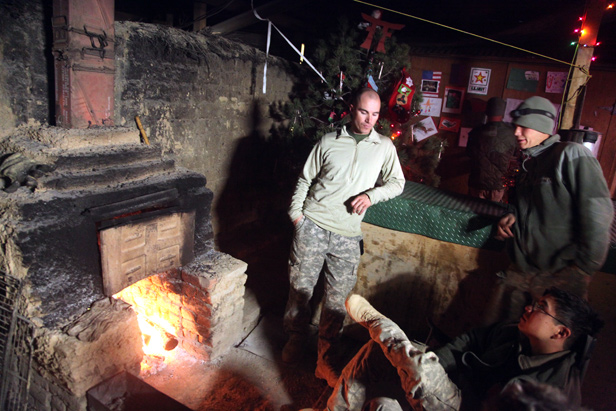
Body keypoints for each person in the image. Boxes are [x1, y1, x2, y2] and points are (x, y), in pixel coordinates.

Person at [282, 88, 405, 386]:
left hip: (348, 235)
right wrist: (296, 215)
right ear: (352, 109)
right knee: (300, 289)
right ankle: (296, 338)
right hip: (313, 225)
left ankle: (325, 359)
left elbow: (397, 182)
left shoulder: (384, 146)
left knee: (337, 301)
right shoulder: (328, 141)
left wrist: (371, 195)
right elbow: (305, 178)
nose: (369, 120)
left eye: (375, 114)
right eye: (364, 112)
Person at [315, 288, 603, 411]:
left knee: (418, 373)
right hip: (457, 388)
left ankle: (380, 324)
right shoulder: (515, 333)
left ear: (560, 333)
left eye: (541, 307)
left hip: (468, 407)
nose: (529, 307)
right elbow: (472, 339)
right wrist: (438, 364)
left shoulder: (554, 391)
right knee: (383, 376)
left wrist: (429, 373)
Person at [489, 96, 614, 323]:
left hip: (559, 275)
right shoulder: (529, 163)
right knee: (498, 333)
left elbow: (598, 214)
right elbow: (535, 207)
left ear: (542, 127)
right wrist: (512, 216)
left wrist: (582, 270)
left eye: (524, 127)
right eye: (515, 126)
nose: (516, 132)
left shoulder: (571, 154)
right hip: (522, 271)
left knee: (549, 339)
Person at [465, 97, 517, 202]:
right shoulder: (512, 133)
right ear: (503, 113)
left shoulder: (476, 131)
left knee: (472, 210)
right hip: (498, 185)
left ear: (487, 112)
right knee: (493, 211)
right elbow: (515, 155)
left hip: (477, 182)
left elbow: (469, 153)